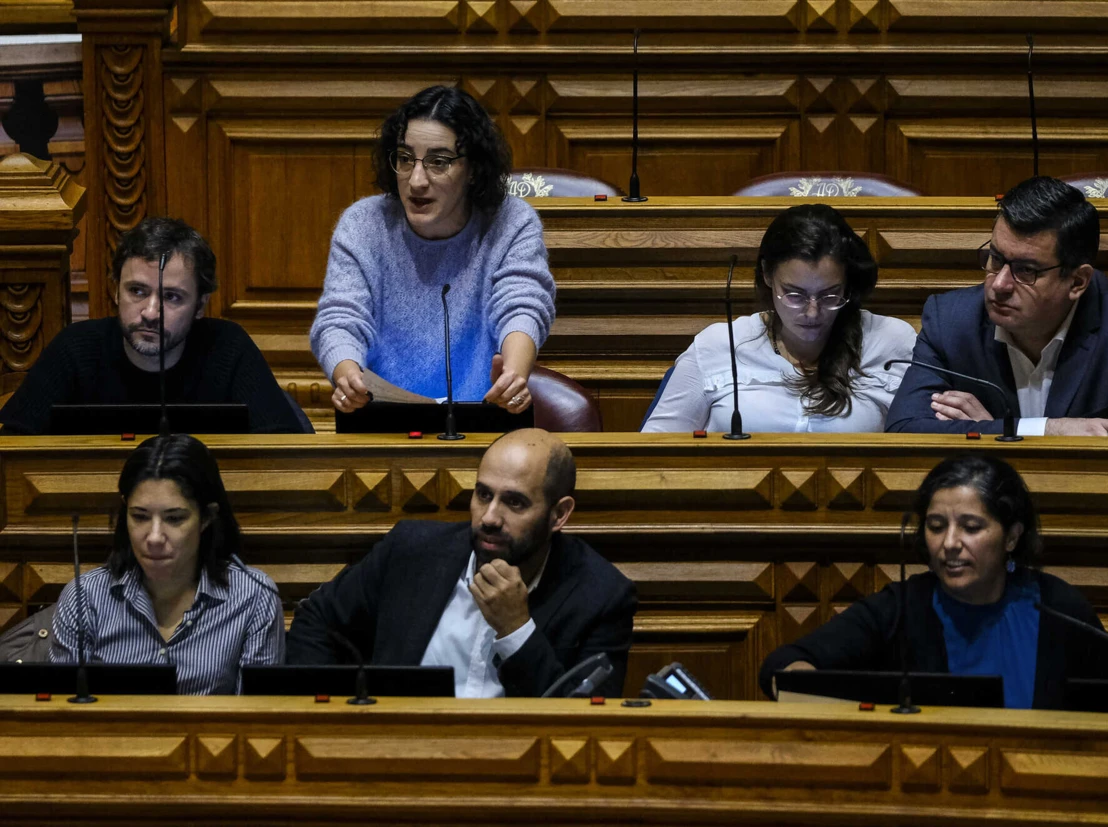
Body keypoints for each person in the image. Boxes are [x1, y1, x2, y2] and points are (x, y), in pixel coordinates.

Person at [286, 428, 636, 698]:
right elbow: (317, 621)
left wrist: (517, 631)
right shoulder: (411, 552)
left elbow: (586, 726)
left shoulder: (601, 596)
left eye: (514, 503)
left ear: (559, 515)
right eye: (483, 495)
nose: (490, 517)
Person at [759, 454, 1108, 709]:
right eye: (936, 527)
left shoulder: (1060, 610)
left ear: (1011, 537)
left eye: (971, 527)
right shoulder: (900, 608)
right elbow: (782, 666)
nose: (949, 543)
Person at [311, 85, 555, 417]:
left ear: (472, 169)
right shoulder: (364, 225)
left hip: (482, 418)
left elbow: (522, 303)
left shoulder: (511, 222)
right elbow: (341, 318)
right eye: (405, 159)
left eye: (439, 162)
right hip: (382, 417)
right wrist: (347, 375)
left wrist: (513, 374)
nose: (416, 180)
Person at [885, 176, 1108, 437]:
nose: (999, 284)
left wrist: (990, 430)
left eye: (1026, 270)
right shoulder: (950, 319)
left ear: (1077, 282)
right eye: (996, 259)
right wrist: (1031, 431)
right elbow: (904, 427)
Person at [0, 217, 305, 434]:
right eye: (137, 291)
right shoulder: (75, 350)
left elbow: (283, 449)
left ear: (200, 306)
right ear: (115, 291)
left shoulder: (228, 347)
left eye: (172, 297)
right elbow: (13, 447)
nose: (150, 312)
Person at [641, 204, 915, 433]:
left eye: (830, 295)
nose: (812, 312)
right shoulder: (719, 344)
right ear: (768, 275)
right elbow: (654, 451)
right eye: (794, 294)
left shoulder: (892, 341)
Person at [49, 434, 285, 694]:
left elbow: (257, 719)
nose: (154, 537)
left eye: (174, 518)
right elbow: (63, 718)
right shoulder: (85, 596)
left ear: (207, 517)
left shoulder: (254, 596)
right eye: (140, 517)